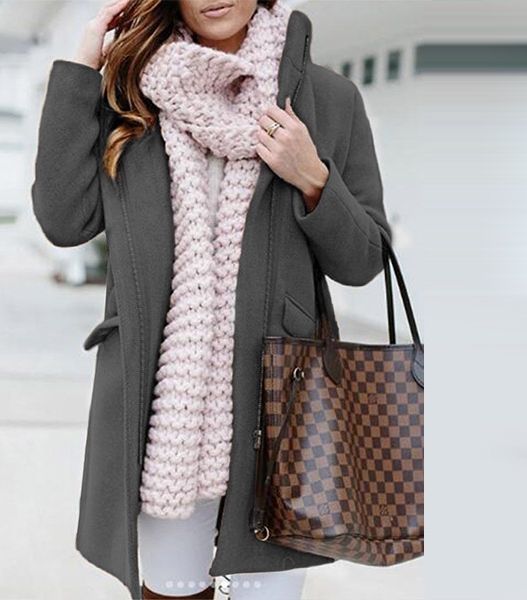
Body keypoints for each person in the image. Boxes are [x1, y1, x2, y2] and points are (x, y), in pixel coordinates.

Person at [31, 0, 392, 598]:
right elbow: (64, 220)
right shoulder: (131, 94)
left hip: (283, 411)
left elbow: (363, 261)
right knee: (171, 591)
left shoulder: (328, 99)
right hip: (167, 416)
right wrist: (81, 67)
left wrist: (313, 177)